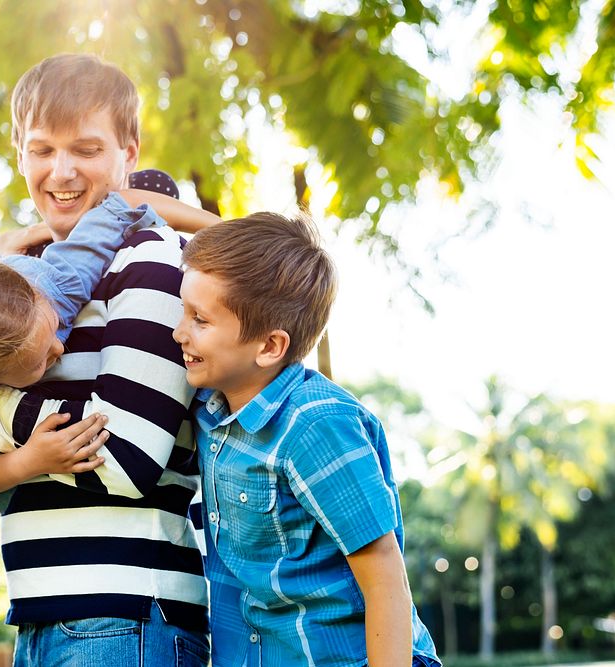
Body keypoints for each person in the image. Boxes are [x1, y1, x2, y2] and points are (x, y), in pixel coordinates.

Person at [0, 54, 211, 667]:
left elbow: (125, 456)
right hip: (45, 611)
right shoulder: (11, 280)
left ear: (128, 154)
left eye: (86, 149)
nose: (60, 172)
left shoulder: (151, 259)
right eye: (41, 150)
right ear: (19, 153)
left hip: (127, 609)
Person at [172, 212, 442, 667]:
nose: (179, 332)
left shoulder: (316, 425)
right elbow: (143, 205)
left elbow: (385, 577)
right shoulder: (211, 406)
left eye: (199, 320)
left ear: (270, 347)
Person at [0, 188, 218, 515]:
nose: (60, 348)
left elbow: (116, 211)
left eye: (54, 328)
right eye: (41, 360)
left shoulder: (57, 281)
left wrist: (230, 236)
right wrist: (27, 462)